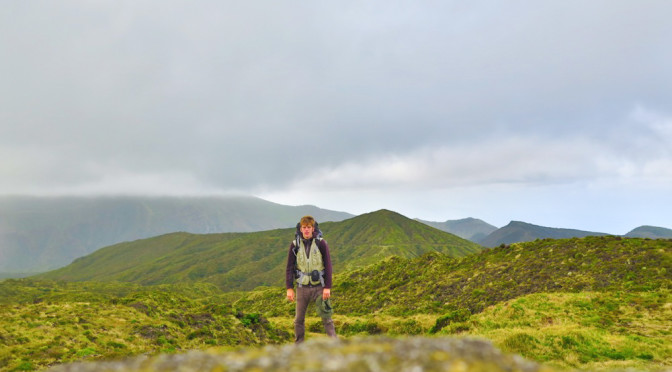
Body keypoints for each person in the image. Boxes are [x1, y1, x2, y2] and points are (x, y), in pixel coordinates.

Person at [285, 215, 337, 343]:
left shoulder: (321, 243)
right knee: (298, 320)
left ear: (313, 228)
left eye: (309, 227)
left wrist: (328, 287)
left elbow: (328, 265)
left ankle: (335, 346)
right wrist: (289, 288)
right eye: (304, 227)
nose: (306, 230)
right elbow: (289, 267)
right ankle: (299, 347)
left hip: (319, 286)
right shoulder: (295, 245)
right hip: (302, 288)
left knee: (327, 318)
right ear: (301, 229)